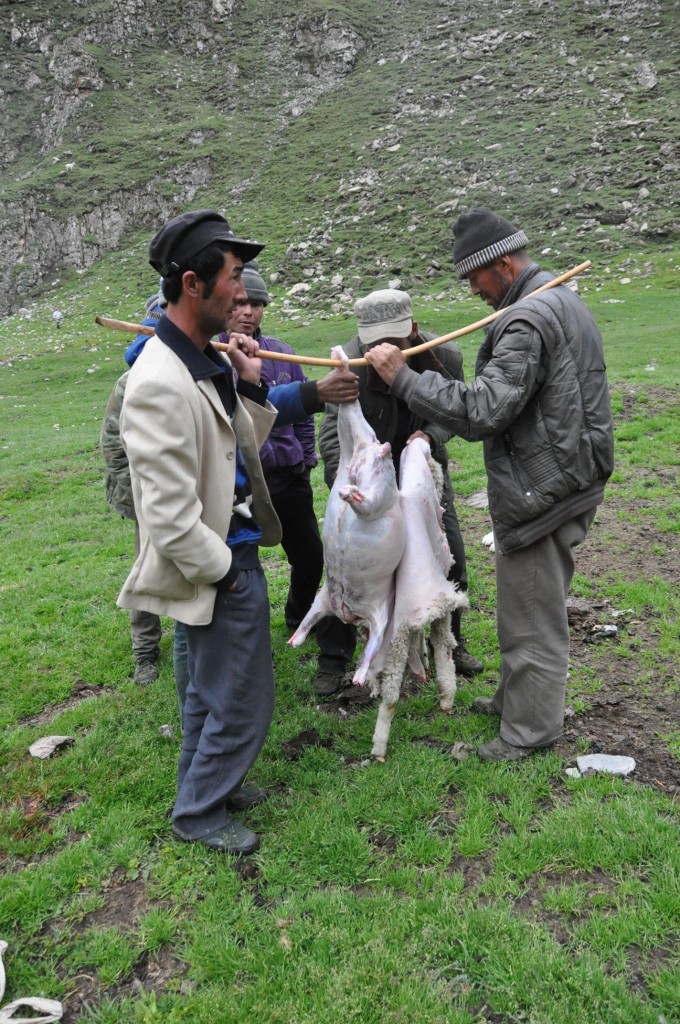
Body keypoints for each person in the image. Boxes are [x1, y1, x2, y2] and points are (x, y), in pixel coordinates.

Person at [118, 209, 357, 854]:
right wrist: (225, 574)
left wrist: (257, 386)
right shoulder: (159, 382)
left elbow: (231, 447)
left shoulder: (197, 361)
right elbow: (168, 517)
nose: (243, 295)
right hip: (218, 561)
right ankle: (198, 815)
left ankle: (207, 788)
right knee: (244, 697)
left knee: (207, 692)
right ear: (193, 285)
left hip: (231, 548)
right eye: (233, 279)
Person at [364, 208, 614, 762]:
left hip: (545, 489)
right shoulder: (556, 298)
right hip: (567, 474)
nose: (472, 289)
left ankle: (528, 733)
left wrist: (402, 378)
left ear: (501, 265)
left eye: (474, 277)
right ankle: (514, 700)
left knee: (530, 617)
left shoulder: (527, 317)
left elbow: (483, 411)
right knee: (523, 608)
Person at [315, 287, 483, 697]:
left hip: (420, 469)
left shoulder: (446, 360)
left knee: (451, 556)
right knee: (343, 569)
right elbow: (332, 435)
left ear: (413, 329)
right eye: (373, 341)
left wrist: (429, 434)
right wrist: (348, 482)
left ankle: (450, 643)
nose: (382, 349)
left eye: (393, 339)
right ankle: (333, 657)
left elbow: (458, 416)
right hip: (365, 479)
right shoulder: (346, 364)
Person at [218, 261, 324, 632]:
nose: (248, 312)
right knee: (243, 560)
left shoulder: (282, 353)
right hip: (242, 484)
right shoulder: (212, 358)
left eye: (257, 304)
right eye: (241, 303)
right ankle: (245, 628)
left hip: (290, 477)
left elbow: (303, 417)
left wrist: (307, 459)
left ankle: (298, 616)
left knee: (310, 557)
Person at [100, 284, 168, 685]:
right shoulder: (130, 381)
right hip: (146, 497)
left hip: (190, 491)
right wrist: (136, 500)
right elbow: (113, 444)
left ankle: (197, 639)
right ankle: (145, 653)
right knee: (147, 569)